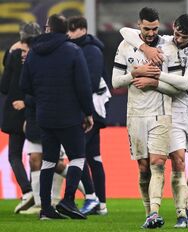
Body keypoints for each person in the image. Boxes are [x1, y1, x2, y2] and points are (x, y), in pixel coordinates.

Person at [120, 13, 188, 228]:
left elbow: (185, 83)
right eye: (177, 34)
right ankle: (182, 213)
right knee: (178, 161)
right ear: (173, 28)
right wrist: (146, 49)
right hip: (172, 111)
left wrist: (154, 79)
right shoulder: (165, 41)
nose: (179, 39)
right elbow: (125, 32)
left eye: (184, 37)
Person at [112, 7, 181, 228]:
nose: (151, 33)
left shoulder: (169, 46)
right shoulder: (125, 46)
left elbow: (178, 88)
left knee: (158, 163)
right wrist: (136, 73)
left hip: (161, 114)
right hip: (135, 115)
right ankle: (148, 214)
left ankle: (154, 212)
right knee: (143, 168)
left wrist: (154, 83)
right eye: (146, 28)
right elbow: (115, 82)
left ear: (159, 25)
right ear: (138, 25)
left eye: (154, 28)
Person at [20, 14, 94, 220]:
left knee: (49, 161)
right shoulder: (73, 51)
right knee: (78, 157)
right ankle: (68, 200)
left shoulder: (34, 52)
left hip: (44, 115)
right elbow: (83, 86)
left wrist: (43, 96)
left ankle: (46, 209)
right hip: (69, 115)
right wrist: (88, 113)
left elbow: (24, 85)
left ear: (48, 29)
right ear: (65, 30)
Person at [67, 15, 111, 216]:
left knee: (78, 152)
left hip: (91, 109)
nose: (68, 34)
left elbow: (91, 82)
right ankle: (101, 204)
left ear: (81, 29)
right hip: (90, 108)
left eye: (71, 30)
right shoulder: (86, 49)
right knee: (94, 156)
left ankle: (92, 196)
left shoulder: (91, 50)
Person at [0, 22, 41, 214]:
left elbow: (5, 86)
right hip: (37, 111)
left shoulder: (15, 54)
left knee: (14, 155)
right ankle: (42, 197)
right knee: (43, 157)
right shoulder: (43, 53)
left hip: (15, 112)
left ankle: (27, 192)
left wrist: (10, 54)